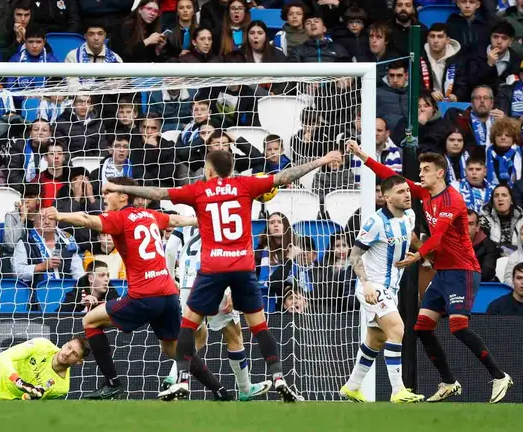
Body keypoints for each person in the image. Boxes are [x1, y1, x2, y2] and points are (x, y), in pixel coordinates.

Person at [103, 149, 344, 402]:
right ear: (231, 169)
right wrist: (322, 160)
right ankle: (278, 378)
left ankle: (183, 379)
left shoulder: (199, 191)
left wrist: (118, 185)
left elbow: (158, 193)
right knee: (259, 327)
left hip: (212, 269)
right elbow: (284, 177)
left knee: (189, 325)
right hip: (243, 267)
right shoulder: (246, 184)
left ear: (208, 170)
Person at [347, 140, 513, 403]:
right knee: (422, 328)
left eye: (425, 169)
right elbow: (390, 177)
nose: (420, 174)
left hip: (463, 270)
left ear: (440, 173)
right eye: (421, 169)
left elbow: (436, 237)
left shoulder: (453, 200)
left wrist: (418, 255)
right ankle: (448, 382)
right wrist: (362, 155)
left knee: (458, 327)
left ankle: (499, 375)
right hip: (443, 272)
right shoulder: (424, 194)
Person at [42, 176, 229, 400]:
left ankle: (112, 383)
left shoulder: (119, 218)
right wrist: (200, 221)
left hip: (144, 295)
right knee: (172, 348)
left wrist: (60, 215)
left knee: (89, 321)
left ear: (123, 196)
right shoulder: (149, 215)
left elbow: (86, 219)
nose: (105, 197)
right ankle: (220, 391)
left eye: (108, 192)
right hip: (168, 293)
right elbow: (176, 220)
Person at [162, 217, 271, 401]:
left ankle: (174, 377)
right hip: (214, 280)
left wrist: (170, 276)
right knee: (233, 335)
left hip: (188, 284)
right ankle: (245, 389)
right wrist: (230, 288)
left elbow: (171, 247)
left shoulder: (189, 212)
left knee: (193, 334)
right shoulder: (221, 211)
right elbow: (227, 253)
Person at [339, 175, 424, 403]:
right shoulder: (374, 222)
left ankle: (352, 386)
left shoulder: (410, 215)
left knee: (376, 339)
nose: (407, 194)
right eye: (400, 192)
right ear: (387, 198)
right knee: (397, 328)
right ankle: (398, 390)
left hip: (391, 287)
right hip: (373, 287)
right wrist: (365, 283)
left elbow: (410, 237)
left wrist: (419, 253)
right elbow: (355, 255)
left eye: (407, 190)